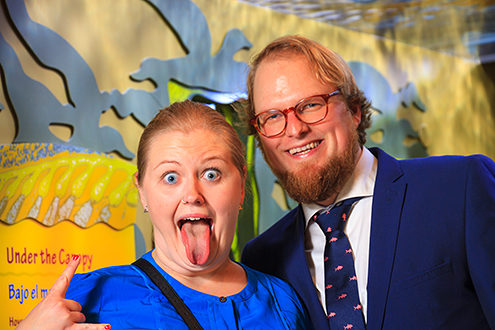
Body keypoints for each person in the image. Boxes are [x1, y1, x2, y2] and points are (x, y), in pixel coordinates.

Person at [239, 35, 495, 330]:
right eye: (272, 117)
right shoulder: (262, 260)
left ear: (354, 110)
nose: (295, 129)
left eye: (310, 105)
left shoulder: (458, 188)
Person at [17, 100, 311, 329]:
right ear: (143, 191)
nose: (192, 194)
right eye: (170, 177)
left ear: (242, 186)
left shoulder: (282, 302)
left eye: (211, 174)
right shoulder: (86, 299)